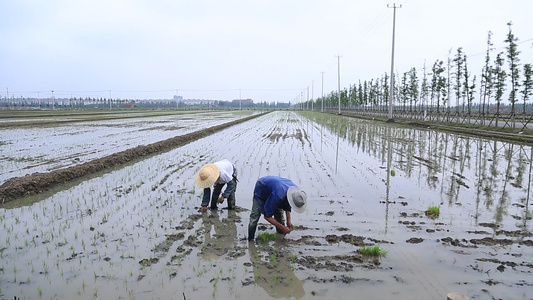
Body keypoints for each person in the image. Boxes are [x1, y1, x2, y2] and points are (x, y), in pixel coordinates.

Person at [248, 176, 307, 241]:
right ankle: (250, 240)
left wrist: (289, 221)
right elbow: (267, 216)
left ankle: (280, 239)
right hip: (261, 188)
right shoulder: (278, 196)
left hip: (275, 189)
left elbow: (288, 205)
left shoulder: (296, 192)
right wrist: (283, 228)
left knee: (280, 217)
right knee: (255, 216)